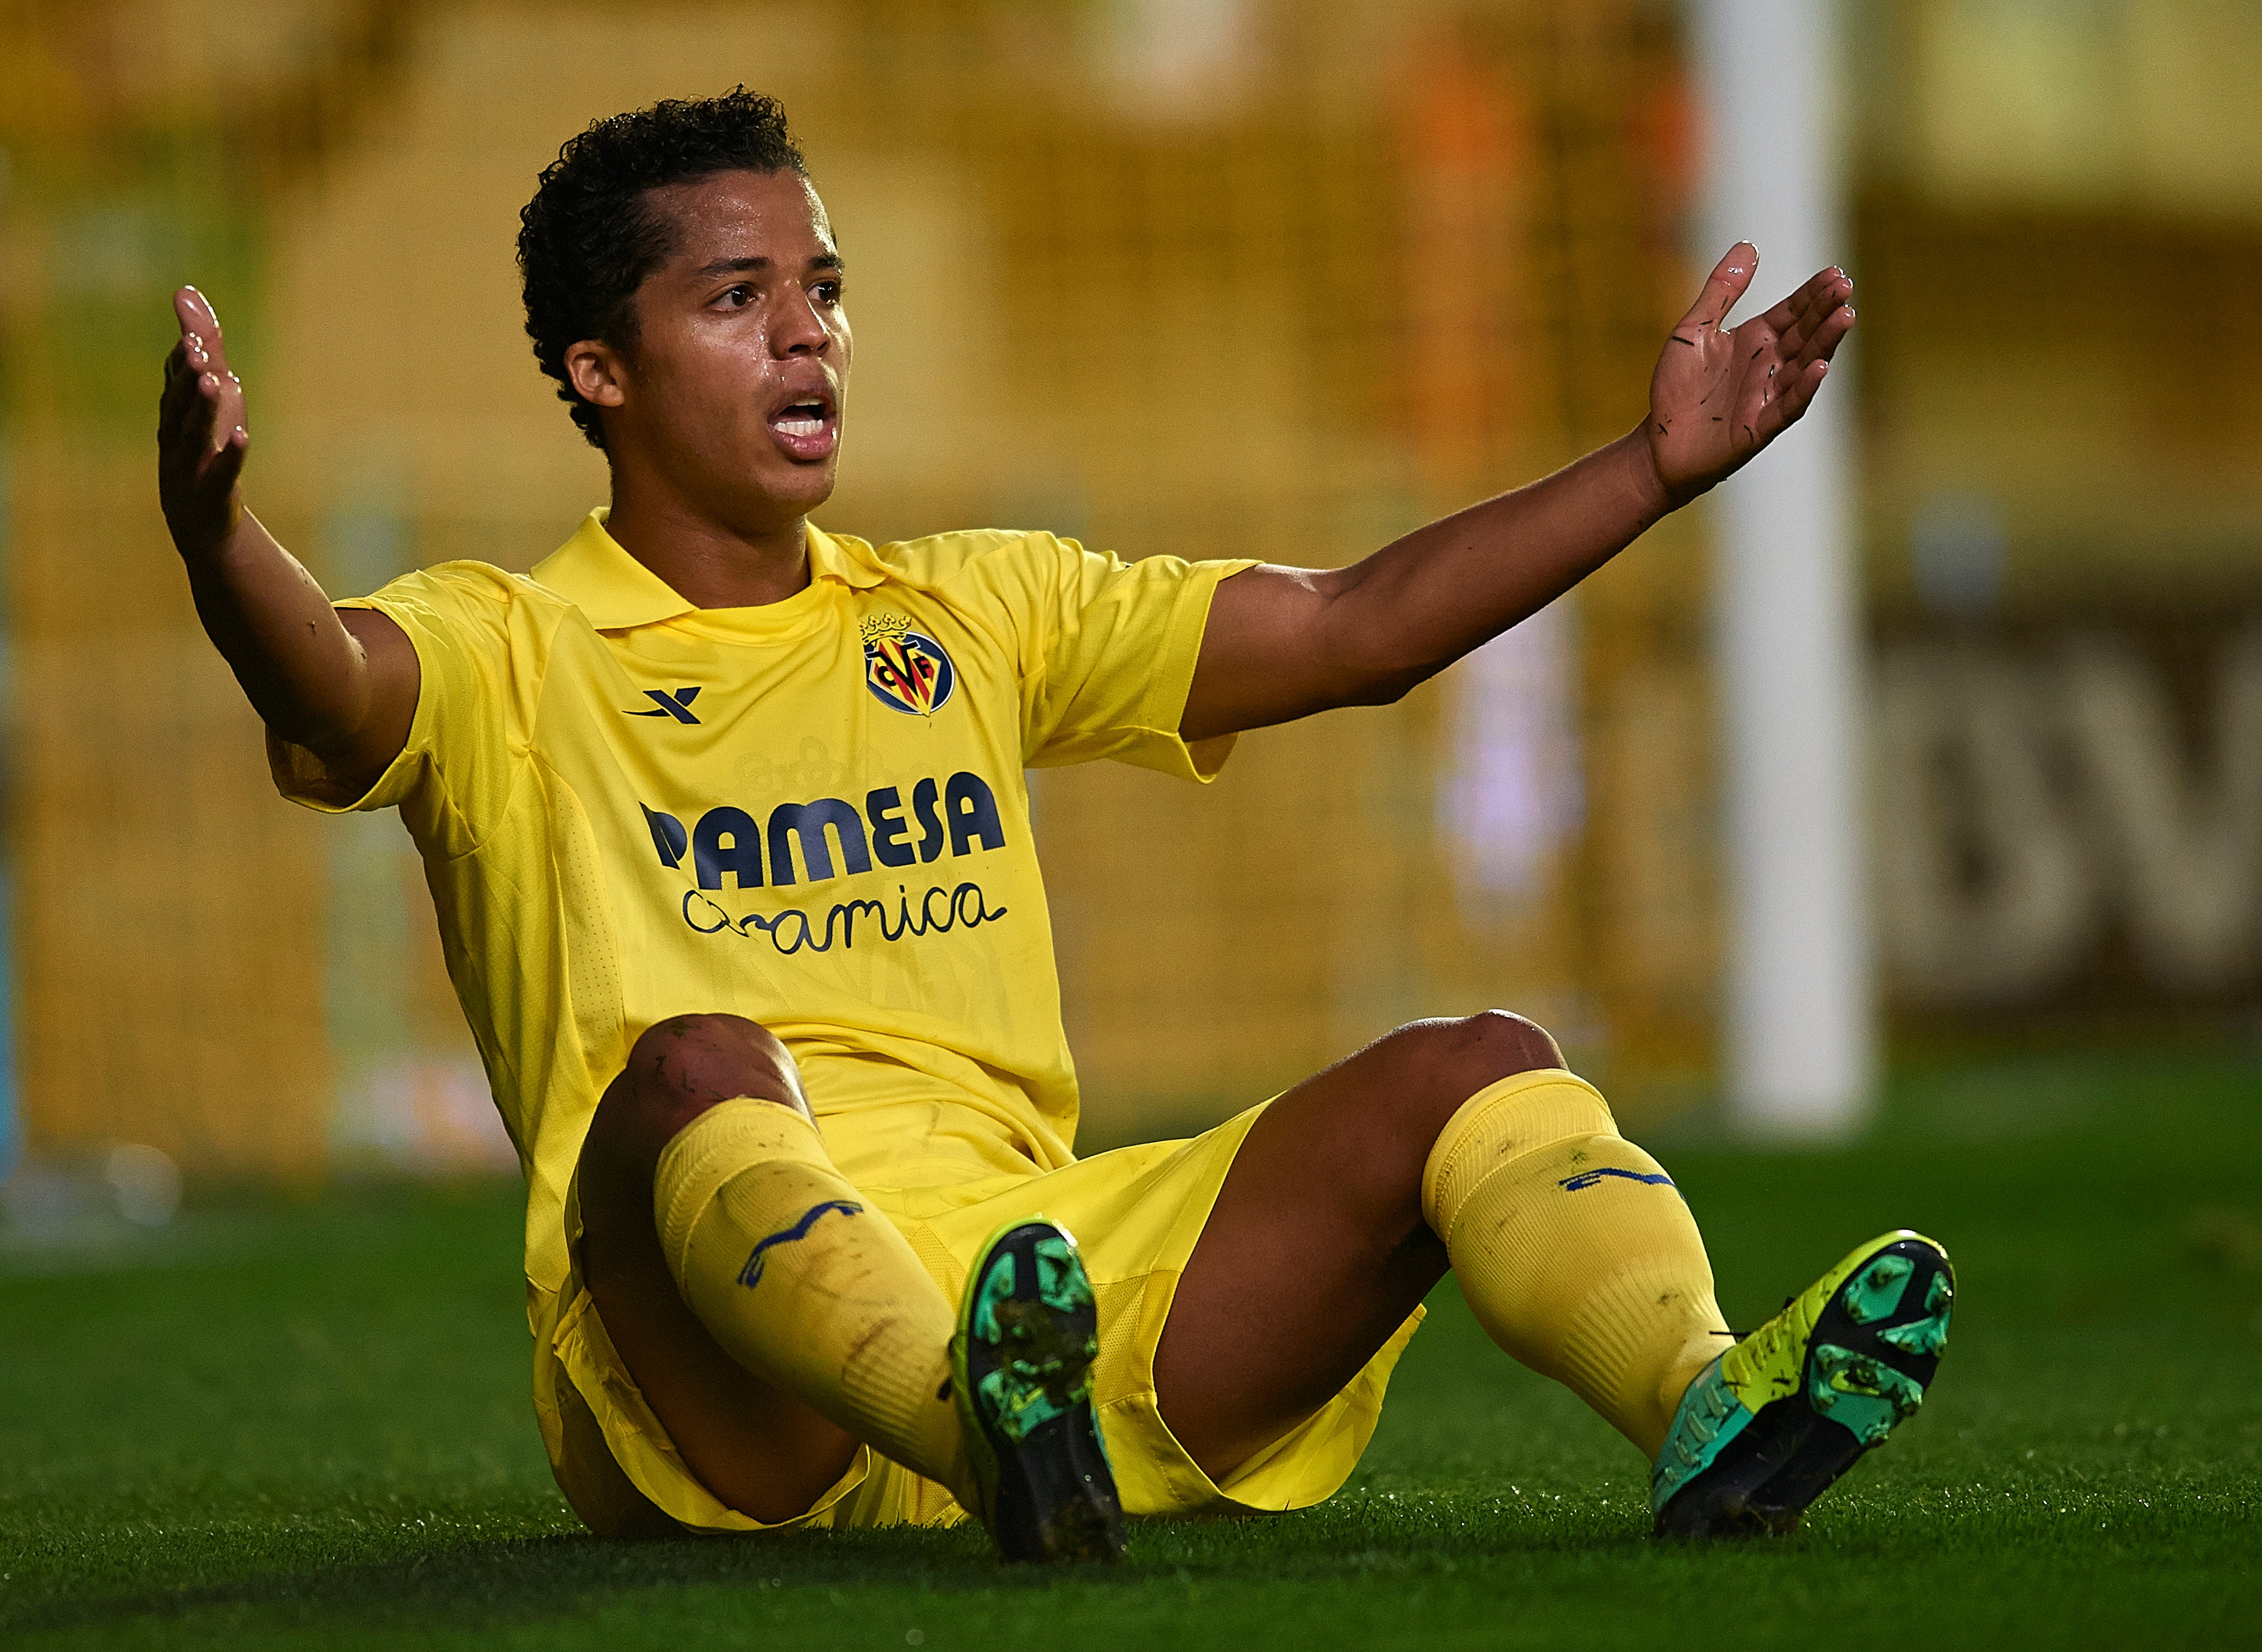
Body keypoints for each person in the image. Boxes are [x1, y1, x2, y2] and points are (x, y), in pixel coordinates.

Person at [155, 89, 1950, 1562]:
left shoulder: (968, 609)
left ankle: (1705, 1402)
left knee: (1478, 1066)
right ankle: (982, 1431)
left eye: (821, 286)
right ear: (600, 371)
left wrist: (1648, 470)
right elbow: (334, 686)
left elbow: (1353, 630)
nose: (806, 331)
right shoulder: (513, 645)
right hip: (718, 1389)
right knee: (693, 1067)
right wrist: (221, 537)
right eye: (735, 297)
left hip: (1039, 1293)